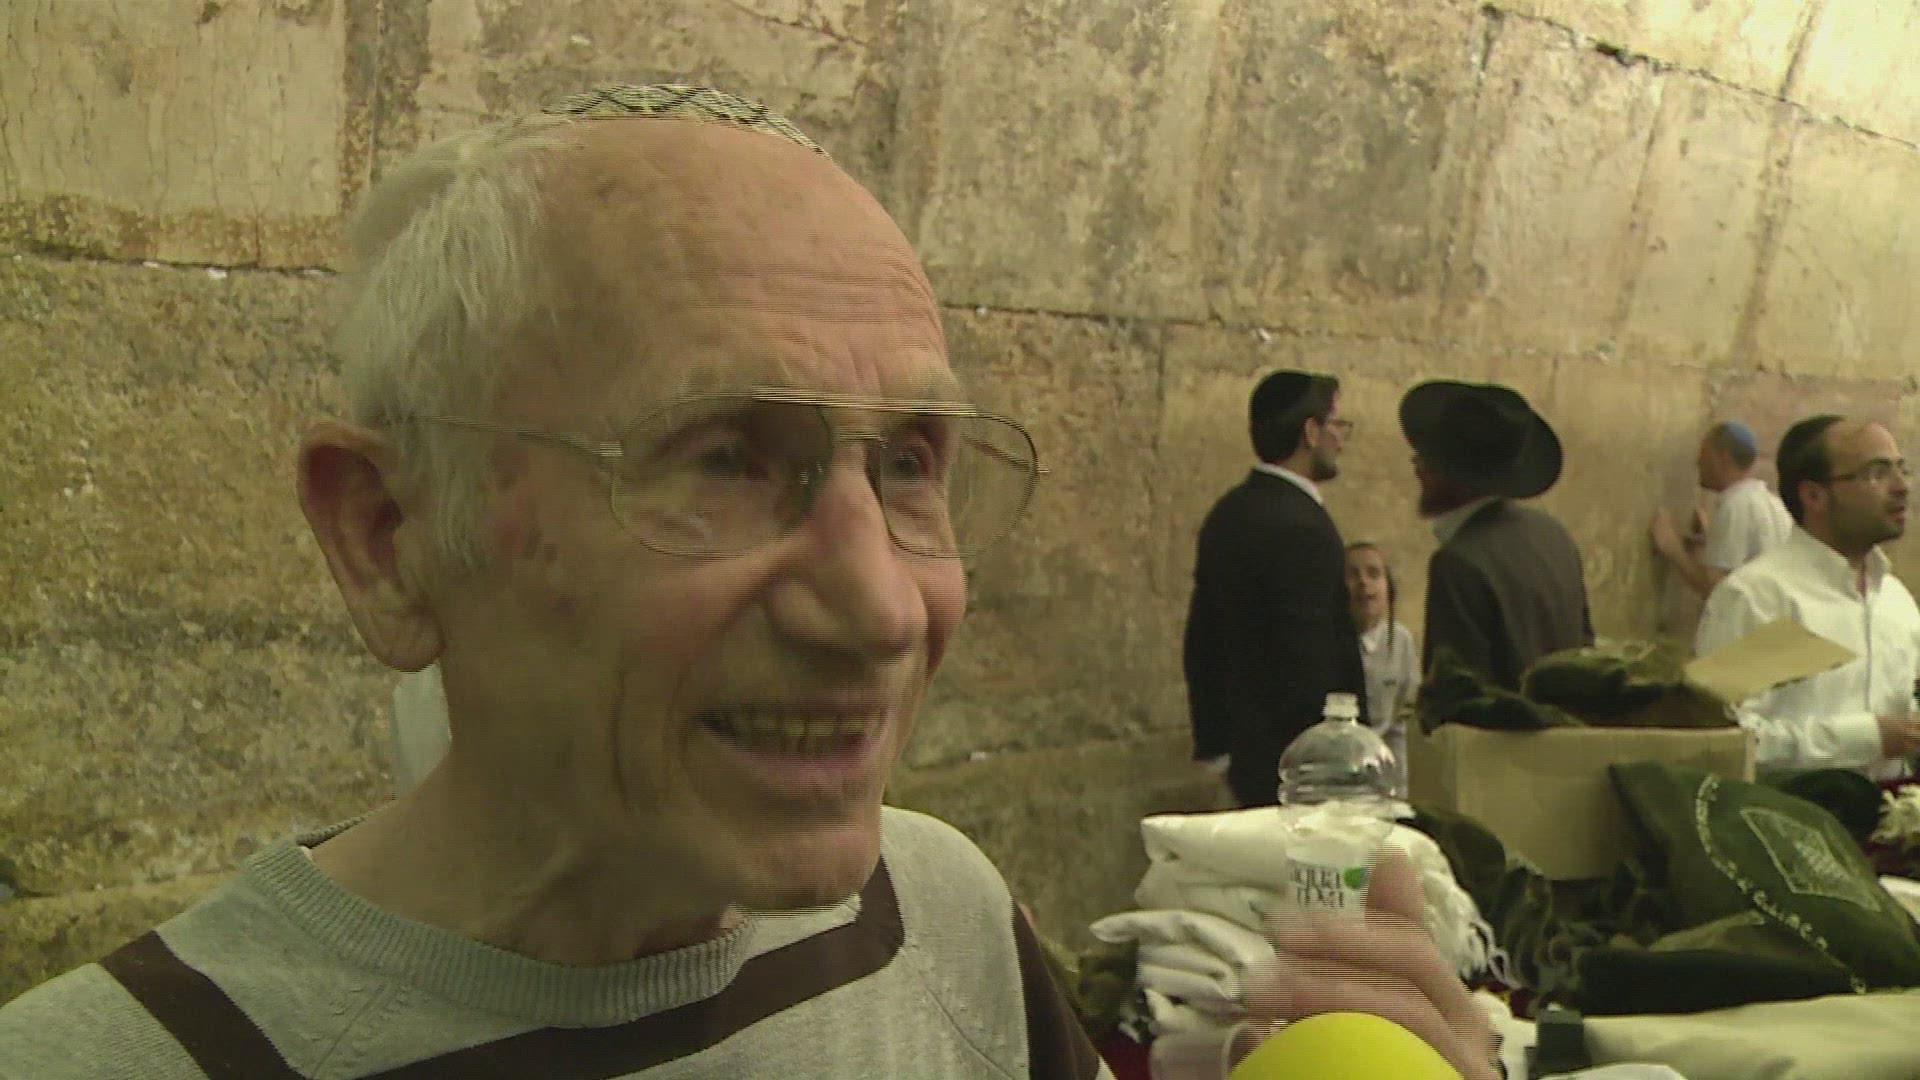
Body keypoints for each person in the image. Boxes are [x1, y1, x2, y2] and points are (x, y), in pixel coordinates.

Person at [0, 87, 1501, 1080]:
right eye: (721, 458)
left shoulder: (938, 910)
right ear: (391, 536)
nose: (884, 610)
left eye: (909, 462)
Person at [1695, 415, 1920, 780]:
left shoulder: (1896, 602)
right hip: (1782, 812)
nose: (1902, 487)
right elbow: (1723, 743)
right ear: (1815, 496)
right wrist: (1866, 737)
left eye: (1902, 469)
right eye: (1876, 473)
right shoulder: (1759, 597)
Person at [1183, 371, 1369, 808]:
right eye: (1336, 425)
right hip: (1300, 764)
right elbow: (1309, 659)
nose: (1341, 440)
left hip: (1246, 753)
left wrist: (1216, 746)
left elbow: (1202, 639)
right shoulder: (1302, 526)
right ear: (1310, 432)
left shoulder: (1230, 511)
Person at [1400, 380, 1593, 690]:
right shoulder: (1554, 536)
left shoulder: (1459, 562)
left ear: (1443, 474)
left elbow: (1457, 695)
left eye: (1425, 461)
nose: (1418, 470)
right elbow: (1586, 652)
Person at [1651, 420, 1793, 597]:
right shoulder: (1772, 504)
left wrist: (1672, 547)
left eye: (1704, 453)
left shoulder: (1735, 505)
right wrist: (1712, 540)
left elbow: (1717, 592)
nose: (1698, 462)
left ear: (1723, 459)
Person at [1346, 542, 1418, 796]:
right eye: (1353, 575)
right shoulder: (1329, 641)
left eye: (1373, 574)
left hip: (1383, 776)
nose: (1363, 583)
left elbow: (1403, 722)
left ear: (1389, 588)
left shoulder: (1400, 641)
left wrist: (1400, 789)